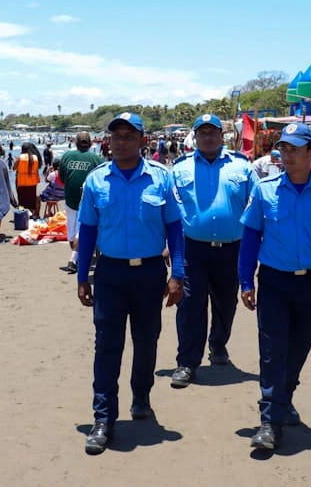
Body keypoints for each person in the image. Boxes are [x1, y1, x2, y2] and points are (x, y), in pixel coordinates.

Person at [238, 122, 311, 449]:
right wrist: (246, 280)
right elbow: (249, 239)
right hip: (273, 282)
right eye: (283, 148)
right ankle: (269, 423)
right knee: (273, 352)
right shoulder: (265, 190)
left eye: (294, 149)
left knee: (297, 350)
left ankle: (283, 397)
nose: (285, 154)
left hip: (310, 285)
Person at [76, 112, 185, 455]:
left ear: (142, 140)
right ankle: (103, 418)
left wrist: (177, 274)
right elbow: (89, 232)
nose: (121, 141)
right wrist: (82, 276)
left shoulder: (161, 179)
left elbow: (176, 231)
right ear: (108, 141)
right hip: (110, 273)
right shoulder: (96, 181)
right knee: (107, 345)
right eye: (116, 136)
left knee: (147, 340)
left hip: (149, 273)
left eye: (128, 135)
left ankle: (141, 396)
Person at [170, 114, 258, 388]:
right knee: (190, 306)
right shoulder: (179, 168)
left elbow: (258, 201)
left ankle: (218, 344)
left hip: (232, 249)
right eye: (202, 133)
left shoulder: (242, 167)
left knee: (226, 303)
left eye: (213, 132)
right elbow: (171, 209)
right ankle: (186, 362)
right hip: (192, 248)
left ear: (223, 136)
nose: (207, 137)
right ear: (194, 137)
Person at [59, 131, 103, 273]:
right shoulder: (97, 159)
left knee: (72, 230)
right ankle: (77, 257)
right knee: (82, 228)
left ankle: (75, 257)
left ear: (75, 143)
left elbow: (62, 177)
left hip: (71, 198)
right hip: (88, 199)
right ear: (90, 144)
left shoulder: (66, 156)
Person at [13, 142, 42, 218]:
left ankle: (22, 216)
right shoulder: (35, 158)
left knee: (22, 200)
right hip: (32, 182)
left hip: (22, 182)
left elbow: (14, 168)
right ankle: (31, 214)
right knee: (31, 199)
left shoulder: (20, 157)